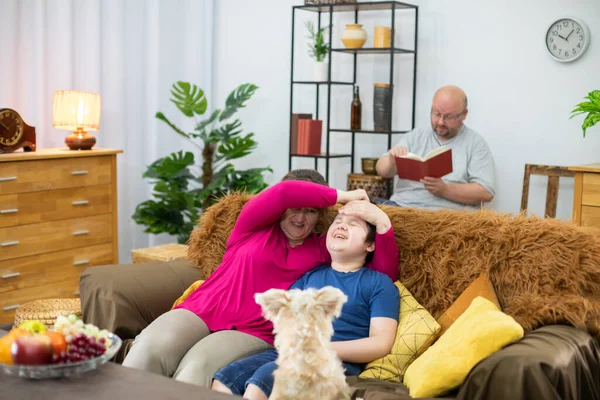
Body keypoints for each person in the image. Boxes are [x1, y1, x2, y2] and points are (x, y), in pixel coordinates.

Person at [122, 169, 399, 387]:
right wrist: (343, 195)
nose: (301, 218)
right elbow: (284, 192)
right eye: (296, 208)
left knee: (197, 369)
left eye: (311, 211)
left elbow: (381, 273)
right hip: (204, 308)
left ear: (320, 215)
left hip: (255, 331)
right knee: (149, 348)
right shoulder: (252, 225)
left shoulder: (324, 250)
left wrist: (382, 224)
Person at [212, 201, 400, 400]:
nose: (342, 226)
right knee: (225, 378)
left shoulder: (379, 284)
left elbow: (381, 343)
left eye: (353, 225)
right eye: (338, 221)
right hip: (289, 353)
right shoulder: (310, 276)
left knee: (263, 381)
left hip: (334, 360)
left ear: (370, 245)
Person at [375, 85, 496, 211]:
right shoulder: (416, 136)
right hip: (402, 208)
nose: (440, 122)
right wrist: (391, 161)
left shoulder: (475, 143)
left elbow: (486, 192)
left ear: (464, 114)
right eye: (436, 114)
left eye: (448, 117)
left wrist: (445, 190)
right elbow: (381, 170)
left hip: (445, 216)